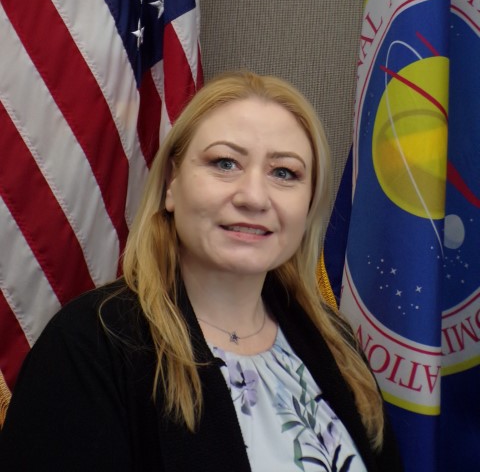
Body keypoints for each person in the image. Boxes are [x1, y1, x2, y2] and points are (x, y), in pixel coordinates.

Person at [0, 71, 403, 471]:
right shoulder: (88, 346)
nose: (253, 197)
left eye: (284, 173)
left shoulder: (336, 342)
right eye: (225, 163)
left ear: (310, 203)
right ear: (171, 185)